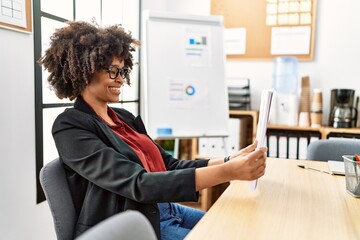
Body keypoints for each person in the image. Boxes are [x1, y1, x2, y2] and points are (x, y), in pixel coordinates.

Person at [38, 21, 267, 240]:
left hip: (164, 210)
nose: (120, 79)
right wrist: (228, 172)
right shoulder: (69, 126)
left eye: (123, 71)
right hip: (130, 224)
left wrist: (228, 160)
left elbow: (169, 165)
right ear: (85, 71)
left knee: (236, 230)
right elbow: (139, 184)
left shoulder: (123, 118)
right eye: (113, 71)